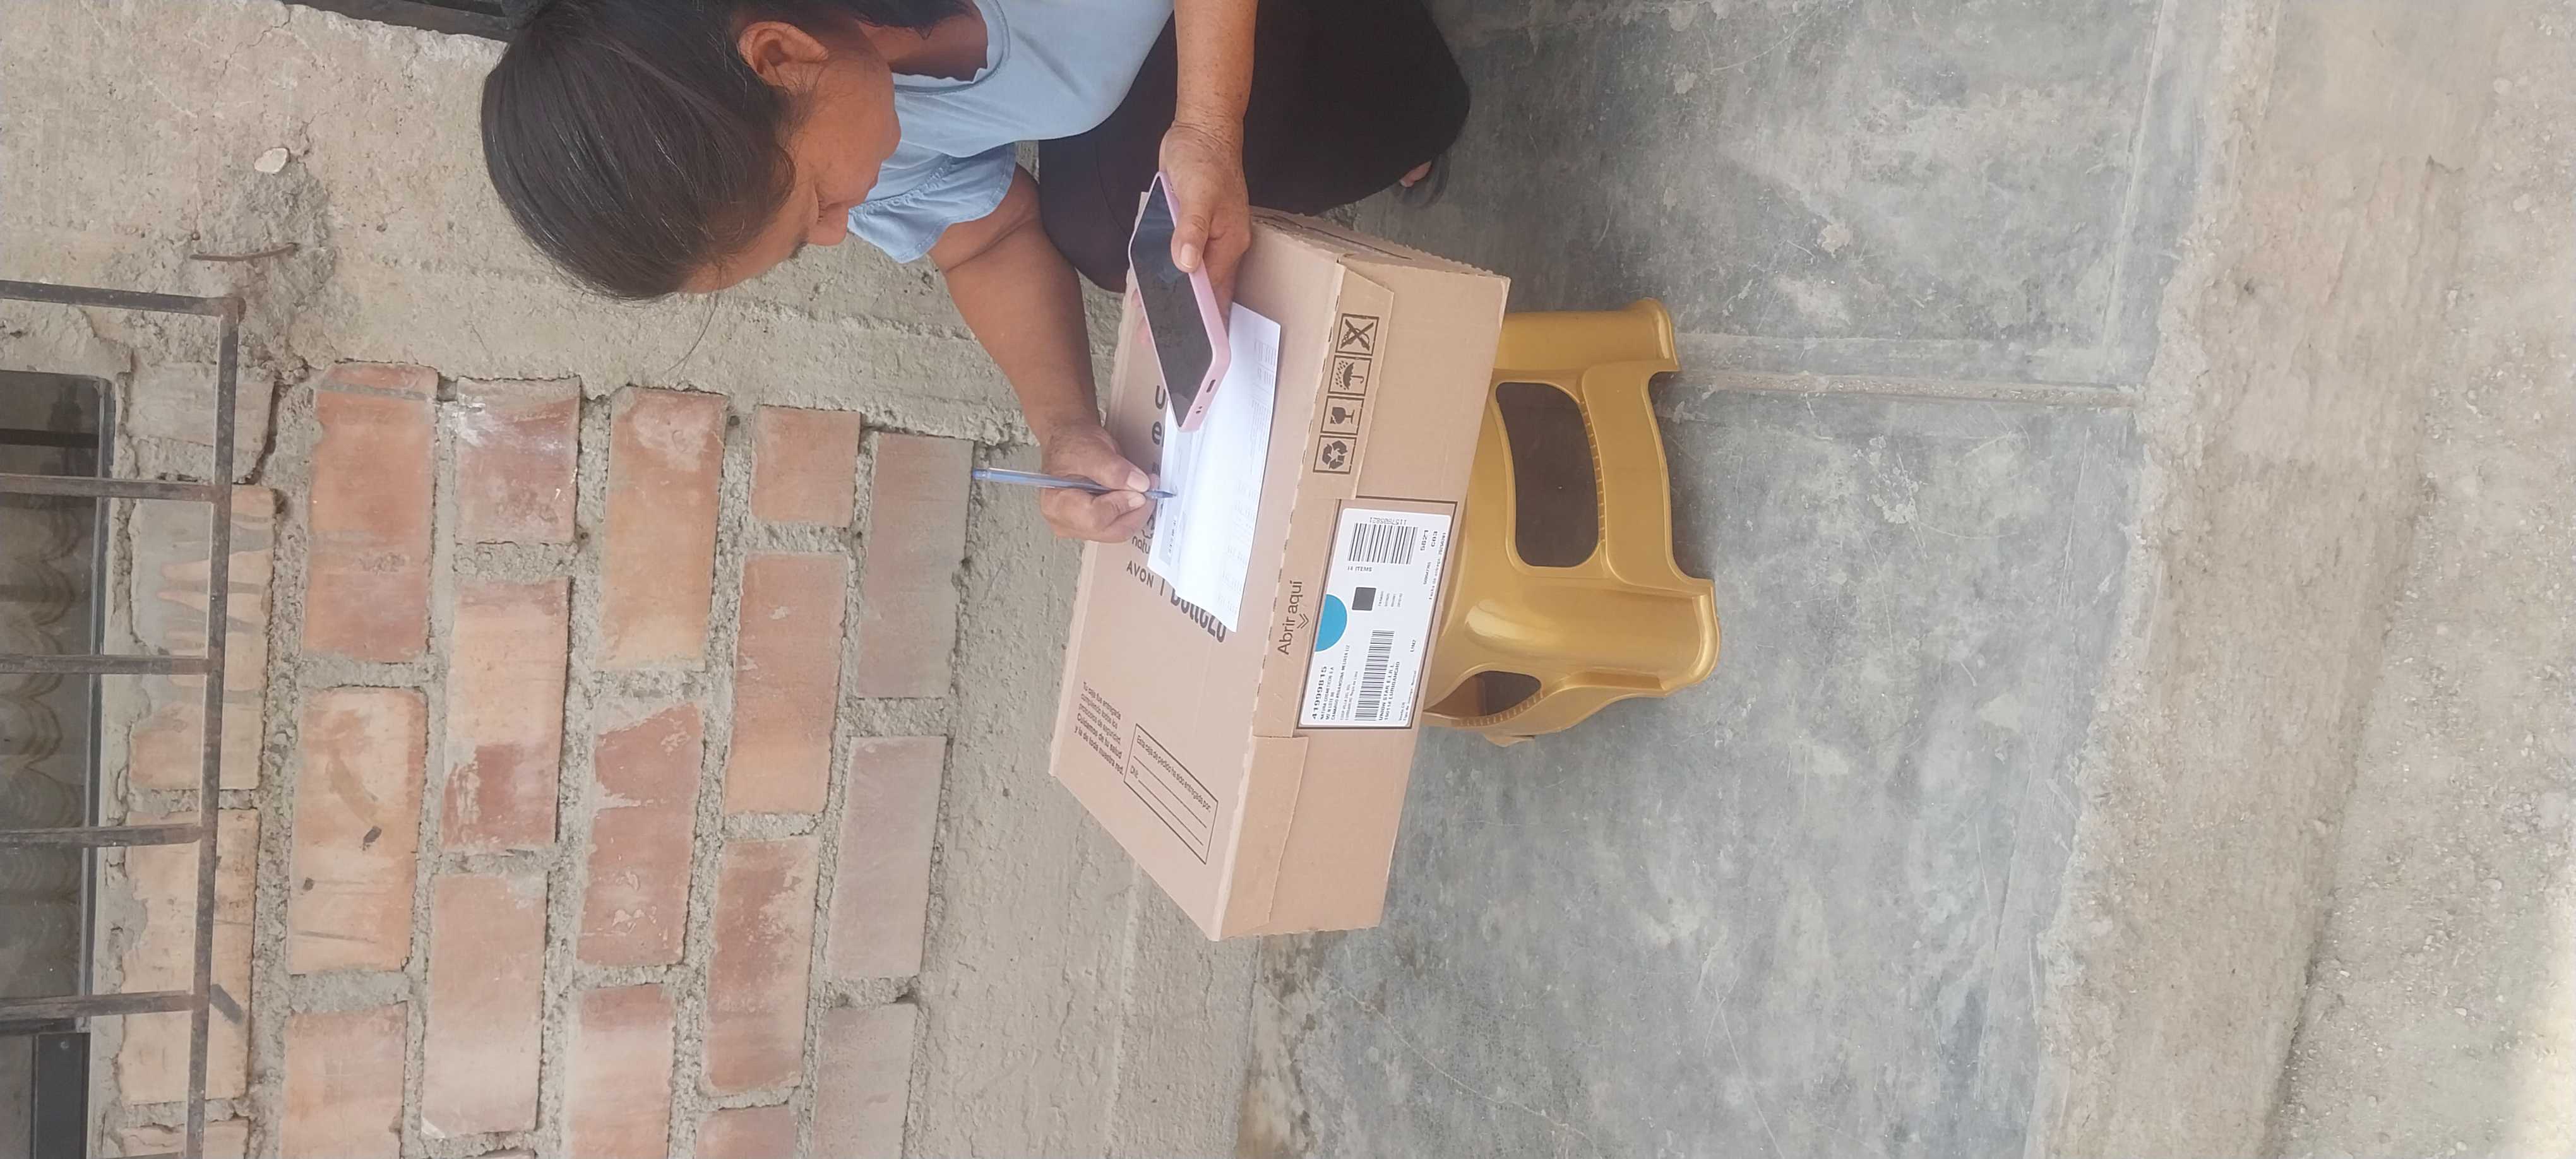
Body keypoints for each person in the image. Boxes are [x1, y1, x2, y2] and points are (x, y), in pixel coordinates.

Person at [480, 0, 1467, 542]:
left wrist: (1210, 124)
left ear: (780, 55)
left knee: (1408, 106)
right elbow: (981, 239)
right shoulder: (838, 110)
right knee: (1116, 229)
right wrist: (1066, 426)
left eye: (815, 204)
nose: (838, 233)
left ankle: (1398, 99)